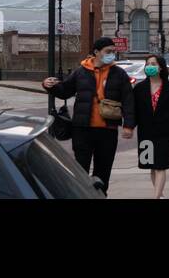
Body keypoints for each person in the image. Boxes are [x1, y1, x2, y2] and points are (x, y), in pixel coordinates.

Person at [42, 36, 134, 193]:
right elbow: (65, 91)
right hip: (82, 130)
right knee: (80, 171)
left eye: (113, 51)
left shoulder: (119, 74)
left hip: (107, 130)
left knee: (103, 172)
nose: (112, 54)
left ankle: (100, 196)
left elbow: (128, 101)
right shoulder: (81, 72)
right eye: (108, 51)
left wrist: (128, 126)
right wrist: (48, 86)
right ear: (97, 52)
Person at [132, 53, 169, 199]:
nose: (150, 67)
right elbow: (133, 111)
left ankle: (156, 197)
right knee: (151, 165)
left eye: (154, 64)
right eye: (148, 64)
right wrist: (129, 126)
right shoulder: (139, 89)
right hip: (146, 132)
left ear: (161, 68)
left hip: (165, 133)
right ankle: (161, 195)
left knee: (161, 165)